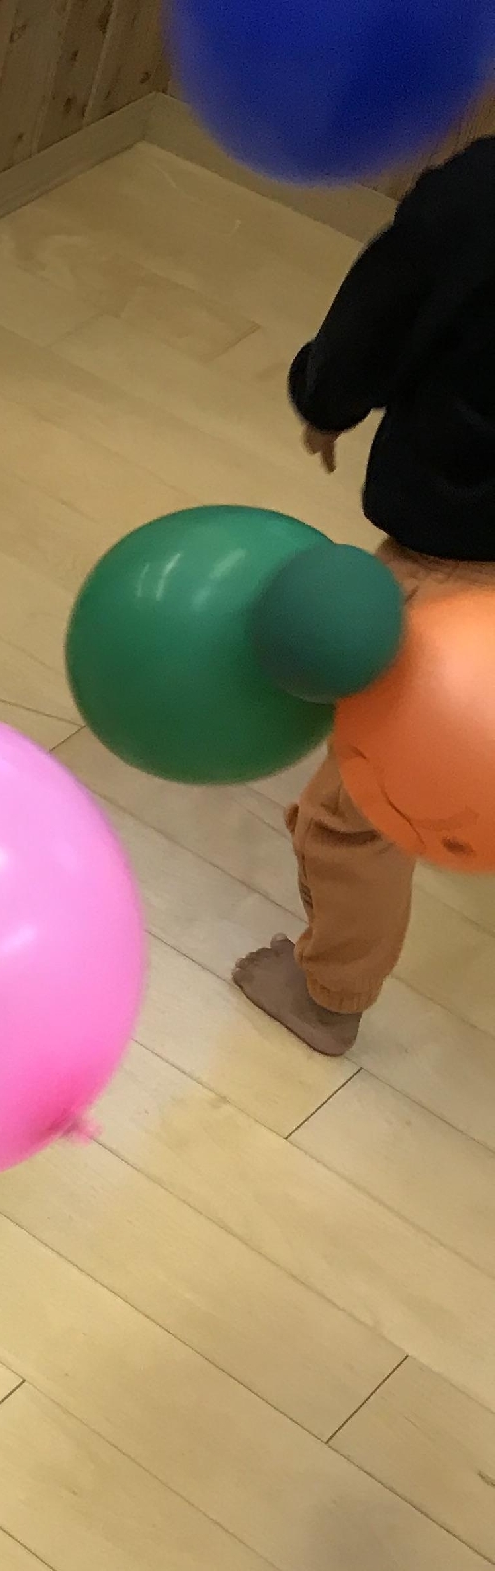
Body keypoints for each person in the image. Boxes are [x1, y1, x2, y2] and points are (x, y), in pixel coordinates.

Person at [235, 134, 495, 1055]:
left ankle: (328, 996)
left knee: (364, 809)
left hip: (459, 564)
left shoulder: (475, 196)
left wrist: (326, 396)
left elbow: (378, 313)